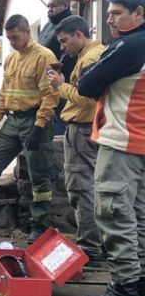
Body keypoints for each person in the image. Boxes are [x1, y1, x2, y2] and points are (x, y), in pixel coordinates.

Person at [77, 0, 145, 296]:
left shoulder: (129, 46)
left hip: (122, 141)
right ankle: (140, 285)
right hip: (141, 144)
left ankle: (123, 292)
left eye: (117, 13)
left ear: (139, 13)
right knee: (139, 219)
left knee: (114, 215)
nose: (109, 20)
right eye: (108, 13)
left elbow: (87, 84)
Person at [0, 14, 59, 244]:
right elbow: (4, 91)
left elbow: (50, 96)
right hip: (13, 120)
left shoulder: (44, 57)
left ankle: (38, 225)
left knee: (39, 175)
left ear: (27, 31)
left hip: (35, 120)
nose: (11, 42)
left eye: (14, 37)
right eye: (8, 38)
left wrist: (39, 127)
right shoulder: (11, 58)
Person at [47, 15, 105, 266]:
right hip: (86, 128)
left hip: (82, 128)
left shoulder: (91, 58)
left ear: (79, 35)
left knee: (82, 189)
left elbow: (90, 98)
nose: (62, 47)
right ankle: (94, 243)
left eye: (64, 41)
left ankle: (90, 247)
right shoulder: (91, 54)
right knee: (87, 187)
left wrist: (60, 86)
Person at [38, 0, 76, 135]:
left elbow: (67, 55)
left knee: (58, 126)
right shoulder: (49, 25)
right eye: (48, 6)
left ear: (66, 5)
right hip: (44, 82)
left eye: (54, 6)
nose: (50, 9)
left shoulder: (71, 24)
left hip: (62, 80)